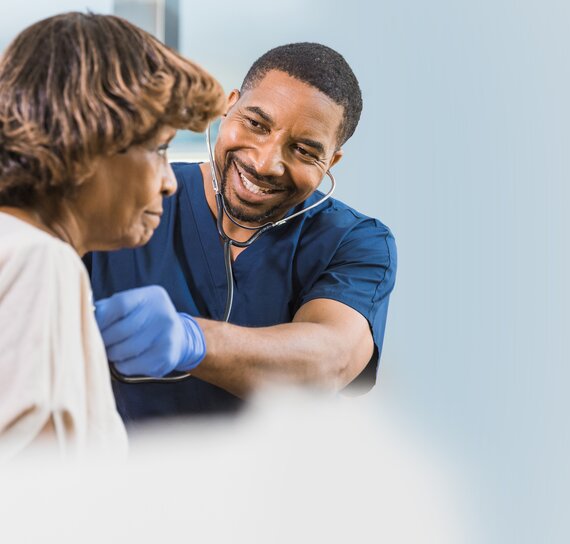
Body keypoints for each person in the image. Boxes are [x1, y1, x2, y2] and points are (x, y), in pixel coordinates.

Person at [88, 43, 397, 423]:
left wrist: (192, 340)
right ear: (229, 106)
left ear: (331, 160)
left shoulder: (354, 241)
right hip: (116, 474)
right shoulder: (130, 199)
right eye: (256, 124)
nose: (266, 163)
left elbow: (333, 359)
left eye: (303, 150)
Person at [0, 12, 226, 458]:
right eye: (159, 149)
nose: (170, 181)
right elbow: (33, 503)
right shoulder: (41, 261)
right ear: (91, 137)